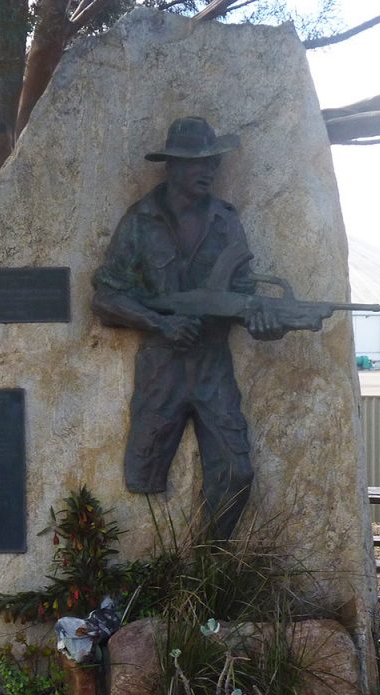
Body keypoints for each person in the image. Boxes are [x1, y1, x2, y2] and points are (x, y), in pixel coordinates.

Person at [92, 116, 287, 540]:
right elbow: (105, 297)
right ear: (173, 166)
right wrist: (160, 324)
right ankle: (155, 573)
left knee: (237, 472)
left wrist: (263, 321)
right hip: (161, 366)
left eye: (213, 163)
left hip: (212, 364)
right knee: (142, 475)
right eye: (199, 162)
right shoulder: (141, 221)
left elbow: (239, 295)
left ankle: (209, 567)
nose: (209, 170)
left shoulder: (226, 221)